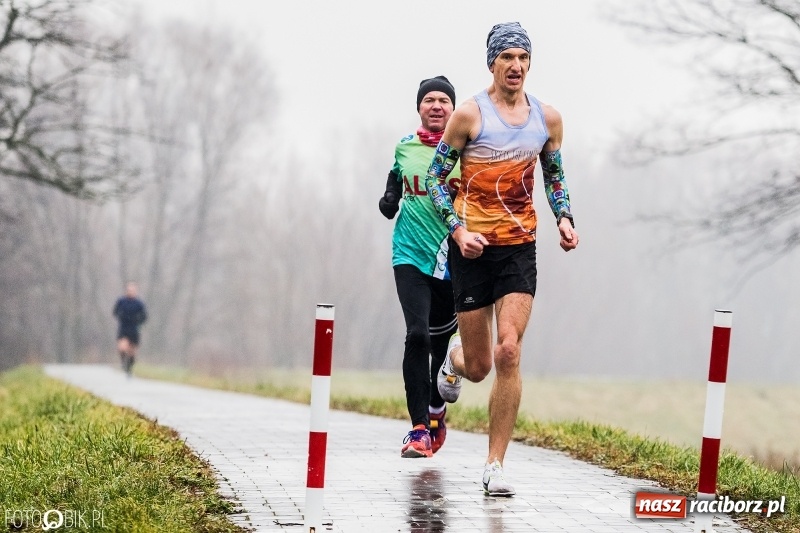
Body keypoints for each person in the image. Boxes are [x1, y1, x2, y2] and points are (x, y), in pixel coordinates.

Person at [424, 22, 579, 495]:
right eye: (507, 57)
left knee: (508, 349)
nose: (516, 66)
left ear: (530, 64)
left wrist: (565, 218)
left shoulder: (546, 119)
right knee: (480, 365)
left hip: (518, 249)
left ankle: (495, 466)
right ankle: (453, 362)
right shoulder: (470, 116)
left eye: (523, 58)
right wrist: (457, 230)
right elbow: (434, 179)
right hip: (472, 251)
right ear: (492, 63)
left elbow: (554, 175)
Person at [379, 76, 460, 458]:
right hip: (408, 254)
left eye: (444, 100)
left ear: (453, 109)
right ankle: (417, 430)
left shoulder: (466, 151)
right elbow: (396, 174)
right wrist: (391, 196)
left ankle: (436, 410)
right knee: (417, 336)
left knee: (441, 346)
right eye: (429, 99)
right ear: (419, 108)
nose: (437, 106)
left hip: (451, 258)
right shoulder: (405, 147)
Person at [113, 281, 147, 377]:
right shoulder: (121, 301)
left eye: (132, 290)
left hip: (134, 328)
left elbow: (144, 316)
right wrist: (121, 316)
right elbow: (115, 312)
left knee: (132, 351)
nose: (130, 292)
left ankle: (129, 368)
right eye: (129, 290)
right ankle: (123, 363)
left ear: (136, 291)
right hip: (124, 327)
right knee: (122, 348)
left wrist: (138, 321)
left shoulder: (139, 303)